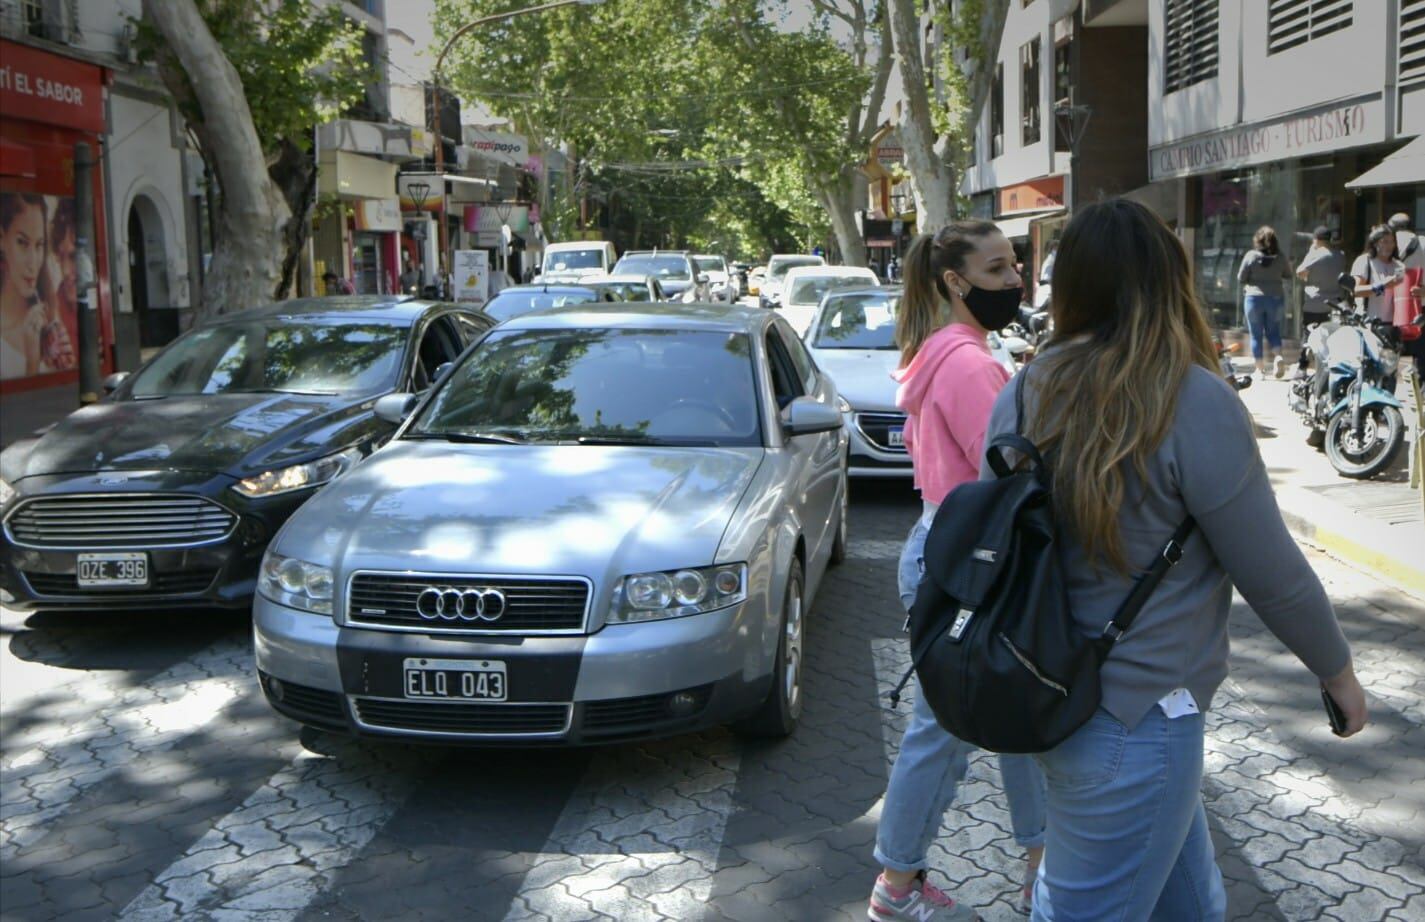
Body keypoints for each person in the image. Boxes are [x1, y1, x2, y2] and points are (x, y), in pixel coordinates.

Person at [988, 199, 1366, 921]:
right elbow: (1272, 574)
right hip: (1140, 719)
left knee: (1190, 907)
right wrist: (1337, 672)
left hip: (1048, 696)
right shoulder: (1190, 399)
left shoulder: (1023, 389)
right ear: (1169, 283)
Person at [868, 221, 1047, 922]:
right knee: (943, 730)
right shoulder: (969, 364)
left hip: (953, 549)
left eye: (1013, 266)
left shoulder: (947, 350)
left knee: (1019, 715)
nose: (1014, 281)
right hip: (969, 560)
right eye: (998, 270)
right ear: (954, 282)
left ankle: (1039, 866)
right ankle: (897, 886)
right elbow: (1009, 471)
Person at [0, 193, 69, 379]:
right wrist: (32, 362)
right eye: (22, 243)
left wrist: (67, 364)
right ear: (2, 239)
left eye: (39, 245)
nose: (33, 262)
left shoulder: (50, 316)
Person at [1237, 226, 1292, 378]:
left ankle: (1259, 370)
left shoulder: (1251, 256)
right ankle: (1278, 356)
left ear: (1257, 241)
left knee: (1255, 334)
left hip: (1253, 298)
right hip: (1275, 297)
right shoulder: (1280, 257)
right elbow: (1288, 274)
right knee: (1273, 331)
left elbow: (1240, 277)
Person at [1294, 226, 1346, 330]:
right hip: (1334, 306)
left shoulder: (1316, 254)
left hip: (1314, 305)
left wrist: (1310, 253)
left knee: (1310, 338)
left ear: (1316, 239)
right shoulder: (1341, 255)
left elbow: (1300, 272)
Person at [1351, 225, 1405, 323]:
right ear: (1375, 243)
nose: (1389, 246)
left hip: (1392, 324)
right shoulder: (1364, 261)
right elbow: (1355, 291)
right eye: (1384, 242)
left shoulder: (1399, 266)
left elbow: (1403, 293)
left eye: (1392, 241)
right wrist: (1382, 285)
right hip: (1368, 322)